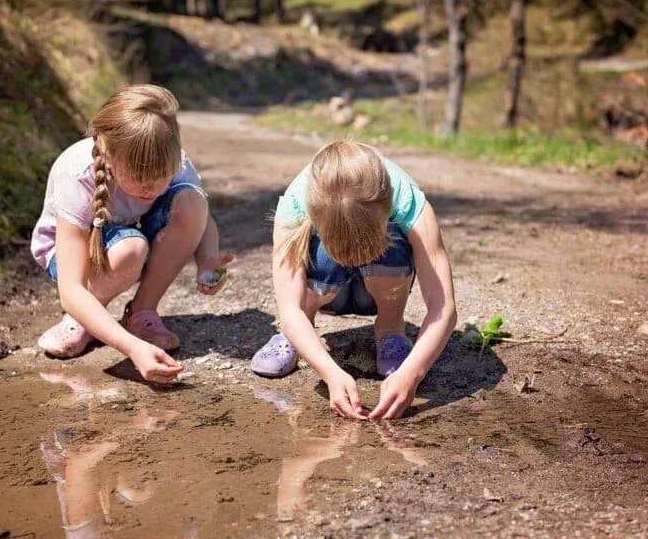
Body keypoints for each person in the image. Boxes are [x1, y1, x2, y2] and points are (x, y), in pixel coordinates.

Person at [30, 85, 233, 382]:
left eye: (160, 178)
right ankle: (83, 317)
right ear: (107, 154)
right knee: (130, 249)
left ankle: (141, 313)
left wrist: (207, 259)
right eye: (138, 178)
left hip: (133, 236)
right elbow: (71, 288)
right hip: (75, 254)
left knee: (191, 202)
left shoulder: (175, 160)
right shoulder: (77, 174)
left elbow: (202, 218)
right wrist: (131, 348)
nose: (150, 188)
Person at [251, 140, 456, 420]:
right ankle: (297, 337)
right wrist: (330, 373)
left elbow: (442, 307)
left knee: (395, 244)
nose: (354, 260)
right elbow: (289, 308)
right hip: (324, 290)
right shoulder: (296, 205)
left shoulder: (407, 200)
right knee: (312, 255)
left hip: (379, 290)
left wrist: (412, 373)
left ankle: (391, 330)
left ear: (386, 210)